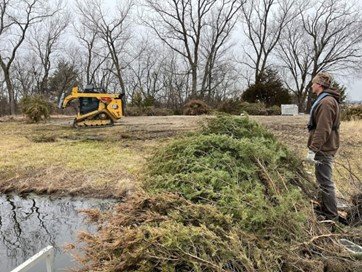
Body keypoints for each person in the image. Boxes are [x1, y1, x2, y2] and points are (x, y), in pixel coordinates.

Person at [306, 72, 341, 221]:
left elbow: (323, 128)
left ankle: (331, 217)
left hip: (324, 148)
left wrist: (313, 149)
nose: (312, 86)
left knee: (325, 182)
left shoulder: (326, 102)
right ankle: (325, 209)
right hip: (325, 146)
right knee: (322, 180)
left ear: (319, 85)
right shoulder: (326, 100)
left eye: (313, 83)